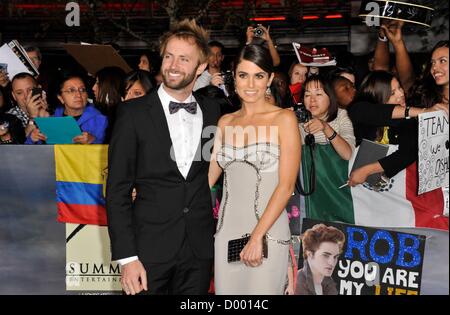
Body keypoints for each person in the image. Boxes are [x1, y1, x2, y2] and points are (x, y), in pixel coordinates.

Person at [106, 19, 221, 295]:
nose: (172, 65)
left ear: (201, 67)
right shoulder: (132, 114)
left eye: (184, 59)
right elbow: (117, 189)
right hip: (148, 251)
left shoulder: (213, 111)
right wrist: (128, 258)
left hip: (198, 251)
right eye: (169, 56)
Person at [209, 44, 301, 294]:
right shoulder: (225, 122)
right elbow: (206, 179)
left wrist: (257, 236)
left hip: (267, 233)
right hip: (227, 234)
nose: (250, 84)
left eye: (259, 76)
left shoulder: (284, 119)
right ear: (233, 77)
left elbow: (286, 186)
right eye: (243, 75)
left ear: (269, 78)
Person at [347, 71, 448, 186]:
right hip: (356, 188)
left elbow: (408, 153)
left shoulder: (408, 119)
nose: (401, 93)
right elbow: (378, 113)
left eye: (400, 87)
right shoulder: (360, 110)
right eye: (392, 93)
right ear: (377, 96)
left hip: (392, 191)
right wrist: (423, 112)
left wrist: (367, 170)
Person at [26, 75, 108, 144]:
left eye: (82, 90)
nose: (78, 94)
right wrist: (32, 139)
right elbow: (31, 154)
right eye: (71, 90)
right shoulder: (52, 121)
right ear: (61, 98)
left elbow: (111, 152)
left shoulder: (100, 119)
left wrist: (93, 140)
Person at [295, 224, 345, 295]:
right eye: (325, 255)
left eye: (335, 257)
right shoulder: (298, 282)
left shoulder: (328, 283)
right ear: (310, 254)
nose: (332, 263)